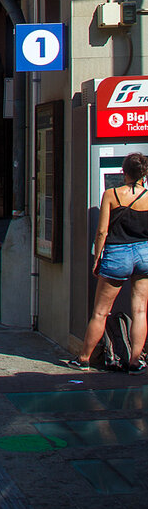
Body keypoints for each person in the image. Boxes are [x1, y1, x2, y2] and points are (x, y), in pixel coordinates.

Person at [70, 151, 148, 371]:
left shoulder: (112, 194)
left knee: (101, 311)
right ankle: (135, 361)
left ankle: (83, 358)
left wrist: (97, 258)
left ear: (124, 172)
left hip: (117, 254)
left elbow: (102, 231)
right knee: (140, 310)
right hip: (144, 254)